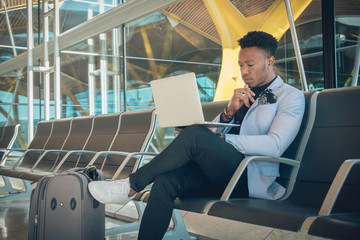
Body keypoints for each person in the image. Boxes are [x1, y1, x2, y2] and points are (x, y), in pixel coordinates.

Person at [88, 31, 305, 240]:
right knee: (165, 181)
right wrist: (229, 112)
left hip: (250, 178)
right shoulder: (241, 95)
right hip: (220, 173)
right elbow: (212, 135)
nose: (244, 71)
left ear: (269, 61)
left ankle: (131, 185)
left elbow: (276, 145)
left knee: (194, 134)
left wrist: (224, 140)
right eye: (241, 65)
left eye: (250, 65)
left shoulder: (290, 97)